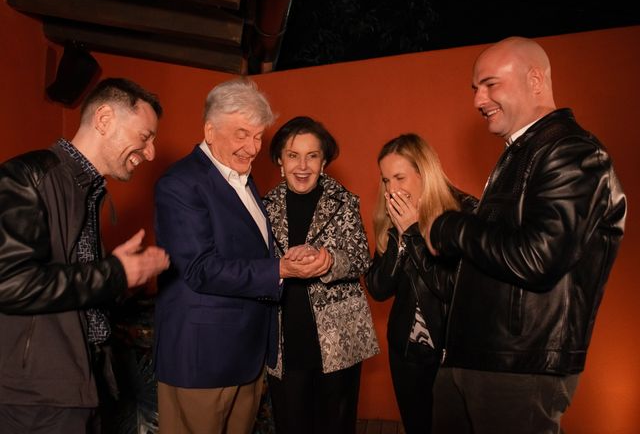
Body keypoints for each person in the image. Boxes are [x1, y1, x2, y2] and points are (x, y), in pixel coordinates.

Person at [427, 36, 627, 433]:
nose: (477, 100)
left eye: (490, 84)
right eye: (474, 88)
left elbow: (538, 257)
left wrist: (448, 227)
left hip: (518, 367)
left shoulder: (572, 151)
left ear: (535, 79)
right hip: (477, 359)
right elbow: (499, 247)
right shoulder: (522, 152)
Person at [153, 79, 331, 434]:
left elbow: (245, 249)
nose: (252, 148)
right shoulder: (181, 183)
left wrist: (288, 257)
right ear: (209, 130)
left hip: (245, 357)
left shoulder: (244, 180)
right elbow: (200, 268)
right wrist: (279, 268)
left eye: (258, 136)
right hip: (202, 363)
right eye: (241, 134)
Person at [0, 77, 170, 434]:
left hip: (80, 387)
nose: (151, 152)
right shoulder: (28, 177)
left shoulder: (87, 189)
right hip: (37, 399)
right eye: (145, 137)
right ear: (104, 119)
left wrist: (121, 278)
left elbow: (74, 290)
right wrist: (114, 273)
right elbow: (9, 283)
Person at [263, 116, 379, 434]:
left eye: (312, 155)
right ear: (279, 161)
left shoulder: (343, 202)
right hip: (284, 341)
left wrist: (329, 261)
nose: (303, 165)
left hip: (339, 342)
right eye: (293, 155)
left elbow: (360, 260)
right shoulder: (262, 207)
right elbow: (254, 267)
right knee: (290, 425)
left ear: (323, 161)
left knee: (336, 426)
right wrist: (280, 265)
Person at [365, 133, 475, 434]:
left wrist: (414, 232)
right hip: (408, 351)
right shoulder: (390, 218)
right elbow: (377, 288)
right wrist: (400, 239)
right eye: (386, 180)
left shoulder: (463, 211)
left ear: (423, 173)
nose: (391, 189)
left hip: (452, 354)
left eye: (399, 178)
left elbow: (452, 288)